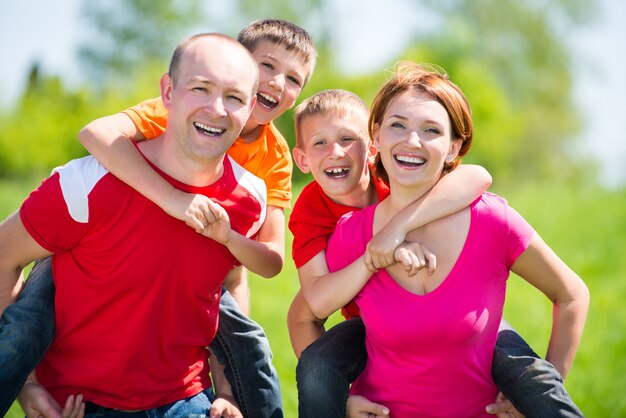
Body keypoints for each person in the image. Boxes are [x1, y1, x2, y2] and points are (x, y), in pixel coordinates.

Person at [1, 19, 317, 418]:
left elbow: (252, 263)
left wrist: (228, 393)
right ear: (170, 92)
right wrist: (173, 200)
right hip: (93, 263)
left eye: (293, 79)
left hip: (184, 376)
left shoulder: (269, 163)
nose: (277, 83)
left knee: (248, 341)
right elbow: (97, 132)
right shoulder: (148, 127)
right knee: (29, 316)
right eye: (267, 67)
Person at [306, 62, 590, 417]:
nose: (412, 141)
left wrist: (536, 395)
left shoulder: (490, 220)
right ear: (375, 136)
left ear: (454, 147)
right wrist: (340, 399)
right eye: (398, 126)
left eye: (431, 131)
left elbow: (571, 294)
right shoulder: (351, 234)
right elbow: (307, 315)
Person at [285, 88, 493, 417]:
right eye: (320, 142)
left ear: (372, 146)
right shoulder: (310, 209)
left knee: (516, 363)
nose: (335, 152)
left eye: (347, 139)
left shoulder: (396, 177)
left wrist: (395, 231)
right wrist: (379, 253)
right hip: (365, 321)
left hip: (443, 311)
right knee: (316, 368)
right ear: (302, 160)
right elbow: (315, 302)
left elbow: (479, 176)